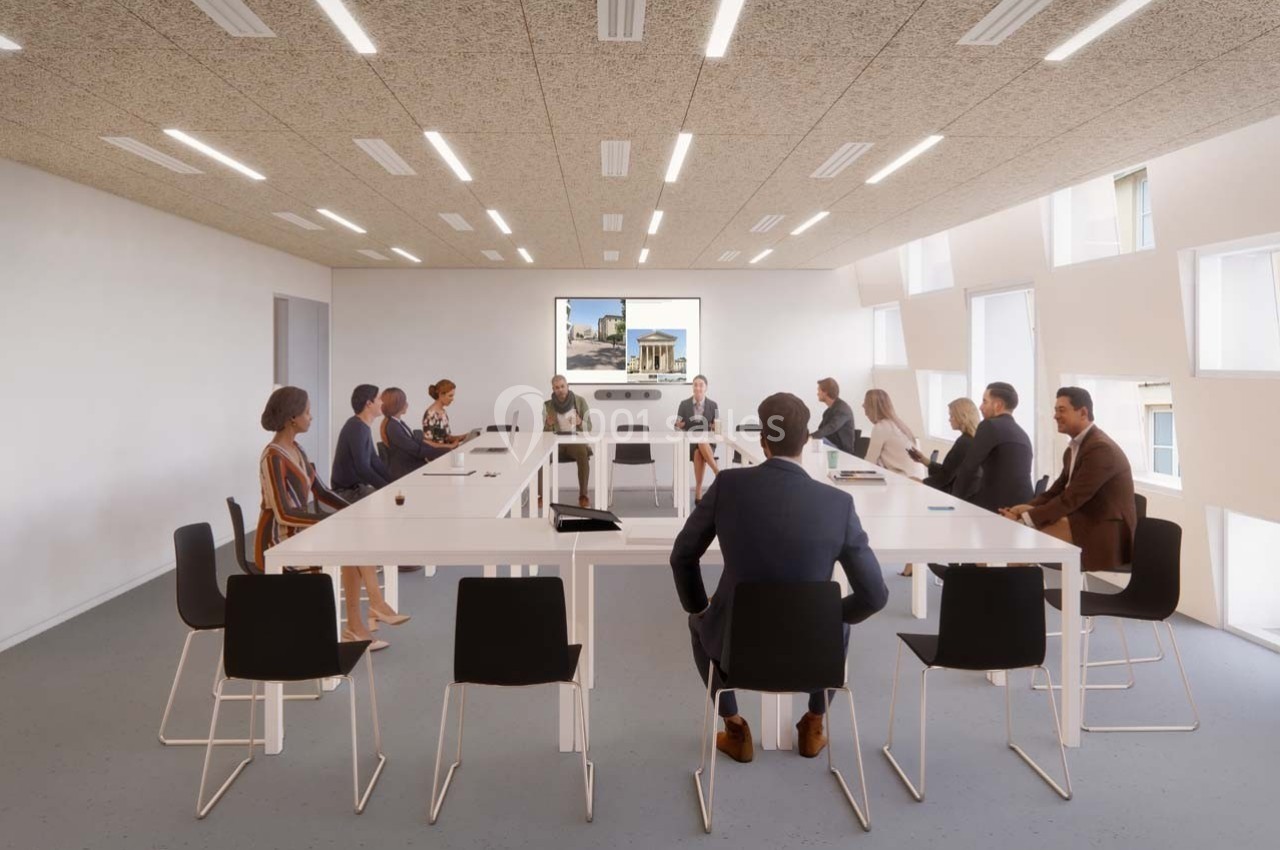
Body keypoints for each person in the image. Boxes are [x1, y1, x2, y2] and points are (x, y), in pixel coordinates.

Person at [670, 392, 888, 763]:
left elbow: (683, 557)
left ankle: (735, 726)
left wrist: (700, 606)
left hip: (734, 648)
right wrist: (830, 615)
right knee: (839, 624)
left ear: (762, 440)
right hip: (811, 651)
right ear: (806, 440)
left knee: (697, 620)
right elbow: (875, 596)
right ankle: (815, 721)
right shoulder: (838, 505)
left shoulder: (728, 487)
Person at [256, 386, 407, 650]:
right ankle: (369, 611)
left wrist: (350, 512)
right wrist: (332, 522)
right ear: (293, 418)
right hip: (279, 541)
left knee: (353, 540)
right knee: (349, 544)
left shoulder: (297, 450)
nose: (311, 417)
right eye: (307, 412)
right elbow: (283, 513)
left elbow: (321, 491)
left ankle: (359, 624)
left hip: (300, 533)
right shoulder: (273, 457)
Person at [1000, 387, 1138, 571]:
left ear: (1083, 412)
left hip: (1104, 532)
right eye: (1055, 410)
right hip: (1083, 521)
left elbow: (1072, 498)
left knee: (1020, 537)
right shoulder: (1074, 448)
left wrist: (1027, 517)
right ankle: (1010, 594)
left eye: (1061, 410)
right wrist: (1025, 509)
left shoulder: (1100, 449)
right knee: (1015, 535)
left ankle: (1008, 595)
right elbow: (1056, 491)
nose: (1055, 416)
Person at [951, 382, 1033, 513]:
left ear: (998, 405)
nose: (980, 407)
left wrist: (954, 501)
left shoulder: (989, 425)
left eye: (985, 401)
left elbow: (969, 467)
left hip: (996, 505)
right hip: (1023, 505)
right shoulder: (1021, 433)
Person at [331, 383, 392, 501]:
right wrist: (388, 489)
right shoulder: (357, 427)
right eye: (379, 398)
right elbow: (363, 468)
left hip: (357, 488)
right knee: (387, 501)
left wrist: (393, 482)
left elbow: (374, 460)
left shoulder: (361, 426)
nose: (382, 402)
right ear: (369, 403)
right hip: (347, 491)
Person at [909, 397, 981, 493]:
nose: (949, 420)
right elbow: (949, 470)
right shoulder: (976, 439)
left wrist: (922, 482)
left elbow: (946, 476)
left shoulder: (964, 443)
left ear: (962, 417)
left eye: (952, 416)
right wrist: (925, 461)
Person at [542, 374, 594, 508]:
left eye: (562, 386)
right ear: (553, 390)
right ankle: (541, 495)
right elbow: (545, 433)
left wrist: (580, 422)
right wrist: (548, 424)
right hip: (555, 443)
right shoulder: (547, 405)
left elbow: (589, 427)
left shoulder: (580, 401)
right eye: (556, 387)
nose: (560, 390)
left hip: (574, 441)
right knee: (541, 457)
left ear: (568, 386)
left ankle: (583, 495)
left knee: (582, 453)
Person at [379, 387, 445, 479]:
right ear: (397, 405)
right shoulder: (393, 427)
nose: (407, 404)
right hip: (405, 472)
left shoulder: (398, 423)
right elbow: (416, 450)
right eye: (404, 402)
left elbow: (417, 443)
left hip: (411, 466)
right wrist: (443, 452)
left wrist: (441, 448)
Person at [675, 374, 720, 504]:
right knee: (697, 450)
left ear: (706, 388)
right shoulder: (684, 404)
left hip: (708, 444)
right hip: (689, 444)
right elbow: (677, 426)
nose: (698, 387)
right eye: (695, 385)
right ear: (692, 387)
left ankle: (698, 490)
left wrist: (714, 425)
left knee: (700, 446)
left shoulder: (713, 405)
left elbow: (716, 425)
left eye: (701, 385)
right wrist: (679, 425)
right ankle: (717, 472)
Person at [861, 389, 924, 476]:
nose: (863, 406)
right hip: (914, 477)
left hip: (902, 480)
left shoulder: (881, 427)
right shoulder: (897, 424)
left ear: (871, 407)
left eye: (865, 403)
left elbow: (870, 461)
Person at [810, 377, 857, 454]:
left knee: (818, 439)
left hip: (843, 451)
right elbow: (821, 429)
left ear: (825, 392)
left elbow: (831, 427)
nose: (817, 393)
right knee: (815, 441)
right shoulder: (828, 411)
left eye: (819, 390)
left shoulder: (842, 409)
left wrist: (811, 437)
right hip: (832, 447)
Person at [422, 379, 467, 453]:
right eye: (450, 396)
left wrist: (463, 437)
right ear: (441, 394)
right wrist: (450, 446)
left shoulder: (442, 412)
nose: (452, 399)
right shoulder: (430, 414)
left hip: (446, 452)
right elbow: (427, 443)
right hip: (437, 455)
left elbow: (446, 437)